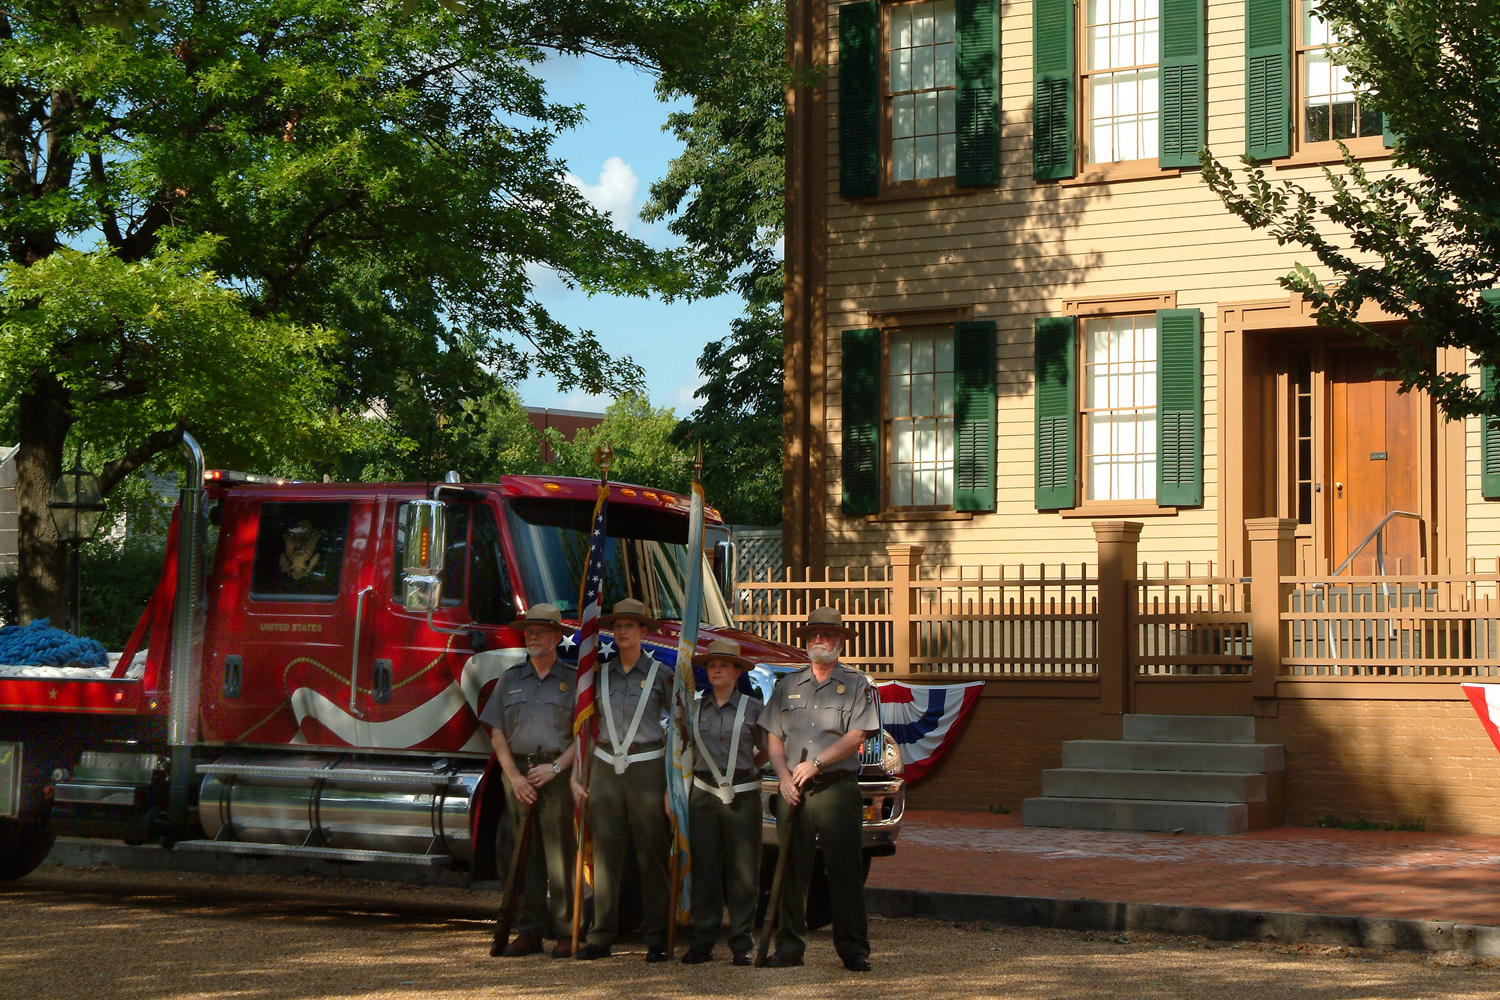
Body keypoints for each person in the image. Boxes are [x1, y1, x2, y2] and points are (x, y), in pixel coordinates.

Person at [758, 606, 881, 972]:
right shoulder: (787, 685)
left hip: (836, 787)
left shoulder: (857, 684)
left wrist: (817, 763)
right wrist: (782, 776)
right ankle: (789, 947)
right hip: (794, 790)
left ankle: (853, 949)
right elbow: (773, 737)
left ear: (840, 640)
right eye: (813, 635)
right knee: (790, 869)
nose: (819, 640)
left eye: (826, 635)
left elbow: (857, 735)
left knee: (844, 869)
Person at [570, 597, 675, 961]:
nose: (623, 631)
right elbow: (583, 729)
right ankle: (601, 935)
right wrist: (577, 775)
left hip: (647, 767)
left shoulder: (662, 674)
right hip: (603, 768)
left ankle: (659, 936)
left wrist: (672, 784)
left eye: (630, 626)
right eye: (617, 626)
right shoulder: (598, 675)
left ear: (644, 632)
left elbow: (679, 728)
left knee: (652, 854)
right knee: (605, 855)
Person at [479, 603, 579, 958]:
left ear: (556, 638)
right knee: (526, 857)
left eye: (539, 632)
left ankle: (567, 933)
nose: (532, 637)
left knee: (560, 855)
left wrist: (556, 768)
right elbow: (497, 733)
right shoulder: (509, 679)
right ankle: (529, 931)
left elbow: (583, 734)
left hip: (555, 773)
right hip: (518, 775)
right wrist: (515, 777)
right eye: (528, 631)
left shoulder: (574, 680)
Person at [680, 638, 767, 966]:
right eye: (712, 665)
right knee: (705, 869)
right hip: (703, 794)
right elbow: (683, 750)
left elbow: (768, 748)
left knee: (743, 871)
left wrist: (747, 771)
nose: (717, 670)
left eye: (724, 665)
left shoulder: (753, 708)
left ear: (736, 672)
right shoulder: (695, 709)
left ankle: (741, 942)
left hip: (742, 795)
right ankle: (702, 940)